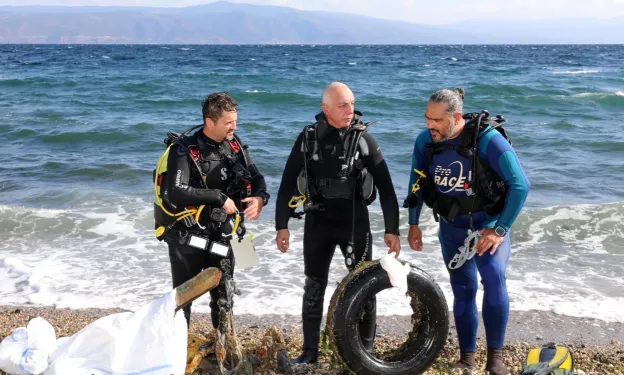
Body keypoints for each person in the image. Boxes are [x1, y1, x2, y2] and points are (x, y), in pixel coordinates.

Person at [274, 82, 401, 364]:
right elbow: (286, 183)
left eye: (352, 103)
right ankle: (309, 354)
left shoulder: (364, 139)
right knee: (313, 287)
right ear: (326, 109)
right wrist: (281, 225)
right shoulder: (308, 138)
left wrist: (393, 230)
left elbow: (388, 189)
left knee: (363, 287)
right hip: (318, 223)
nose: (350, 109)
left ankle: (364, 353)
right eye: (343, 105)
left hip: (355, 223)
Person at [405, 88, 530, 375]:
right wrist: (413, 223)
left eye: (436, 120)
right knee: (463, 290)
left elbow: (520, 185)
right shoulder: (425, 141)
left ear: (456, 116)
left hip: (488, 226)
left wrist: (499, 230)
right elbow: (416, 183)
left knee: (493, 277)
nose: (429, 125)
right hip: (452, 229)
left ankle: (495, 358)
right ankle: (467, 358)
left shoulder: (487, 140)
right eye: (426, 118)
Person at [153, 92, 270, 330]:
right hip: (189, 238)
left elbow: (257, 177)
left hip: (225, 235)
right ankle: (176, 354)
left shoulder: (235, 144)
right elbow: (176, 191)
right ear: (210, 121)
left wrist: (260, 198)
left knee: (224, 298)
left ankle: (223, 350)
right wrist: (218, 197)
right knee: (183, 300)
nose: (234, 127)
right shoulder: (184, 150)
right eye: (228, 122)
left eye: (235, 121)